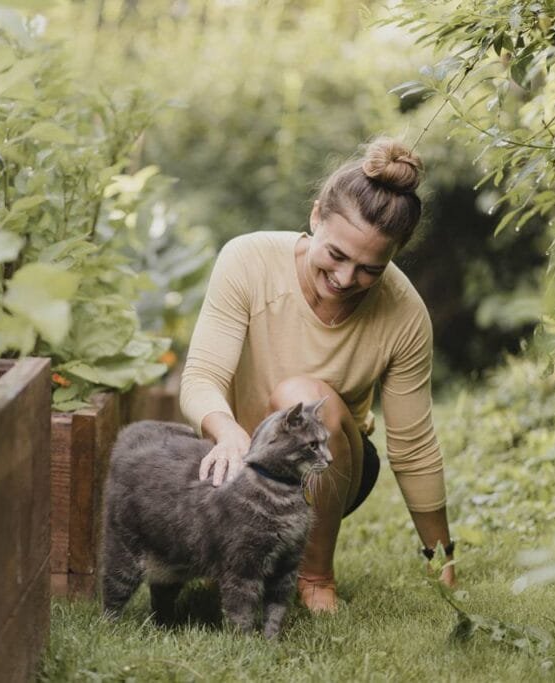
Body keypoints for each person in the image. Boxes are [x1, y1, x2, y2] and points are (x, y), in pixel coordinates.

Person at [179, 138, 456, 614]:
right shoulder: (247, 261)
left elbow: (413, 447)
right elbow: (202, 376)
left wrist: (443, 559)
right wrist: (226, 434)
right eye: (336, 255)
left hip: (328, 467)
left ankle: (314, 577)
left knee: (304, 399)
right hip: (235, 456)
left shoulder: (404, 313)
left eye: (371, 268)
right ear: (314, 217)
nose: (347, 280)